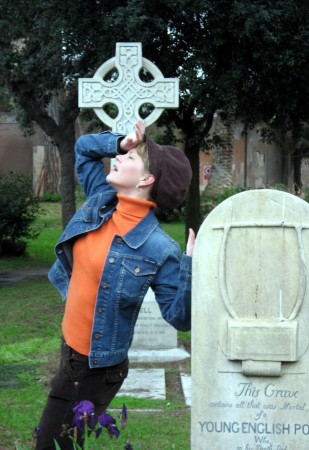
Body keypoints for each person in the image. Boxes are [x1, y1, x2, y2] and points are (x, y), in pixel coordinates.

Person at [35, 120, 195, 449]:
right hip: (70, 348)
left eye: (131, 158)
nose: (119, 159)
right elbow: (83, 150)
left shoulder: (159, 248)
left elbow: (180, 318)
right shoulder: (103, 201)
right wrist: (123, 142)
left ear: (147, 179)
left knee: (49, 445)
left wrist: (191, 266)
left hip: (95, 368)